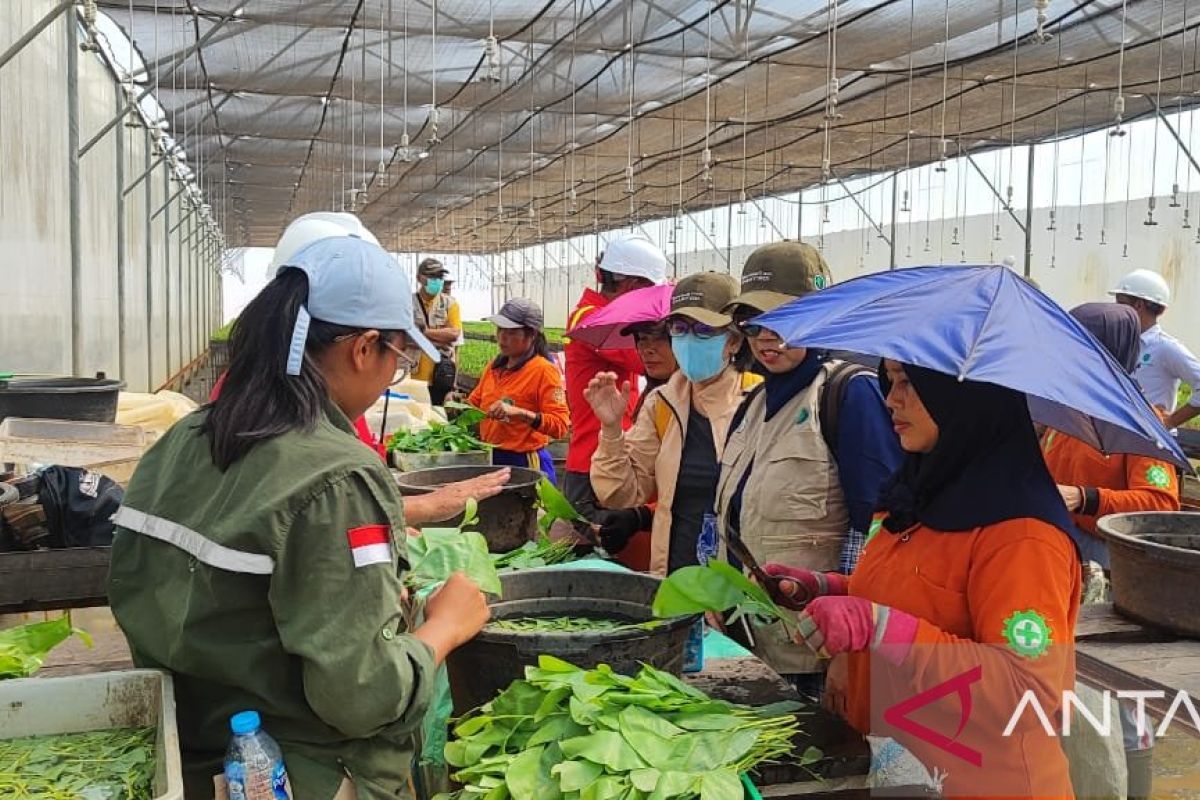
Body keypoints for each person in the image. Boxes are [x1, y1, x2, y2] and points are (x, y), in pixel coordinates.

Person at [108, 236, 494, 800]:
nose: (393, 375)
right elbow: (361, 697)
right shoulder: (336, 477)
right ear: (364, 348)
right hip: (297, 771)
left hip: (193, 754)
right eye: (396, 361)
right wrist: (445, 628)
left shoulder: (184, 439)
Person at [768, 360, 1082, 799]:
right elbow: (911, 595)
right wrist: (827, 590)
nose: (891, 399)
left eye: (910, 384)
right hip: (901, 769)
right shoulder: (914, 496)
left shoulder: (1023, 537)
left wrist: (877, 625)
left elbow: (1026, 692)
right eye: (889, 381)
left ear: (965, 396)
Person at [713, 241, 903, 693]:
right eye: (754, 322)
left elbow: (878, 530)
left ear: (821, 316)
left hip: (812, 652)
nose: (766, 337)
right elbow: (722, 515)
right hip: (747, 638)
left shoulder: (846, 396)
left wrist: (846, 649)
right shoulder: (754, 404)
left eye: (784, 319)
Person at [587, 273, 759, 573]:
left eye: (704, 330)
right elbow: (621, 494)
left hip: (739, 585)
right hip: (674, 575)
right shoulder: (662, 404)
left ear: (733, 341)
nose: (689, 341)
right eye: (680, 329)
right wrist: (611, 429)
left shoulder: (757, 402)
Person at [1044, 302, 1181, 569]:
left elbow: (1161, 504)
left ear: (1107, 352)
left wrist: (1085, 498)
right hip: (1057, 533)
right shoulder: (1072, 408)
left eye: (1078, 346)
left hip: (1107, 552)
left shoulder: (1139, 422)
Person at [562, 235, 668, 518]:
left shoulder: (608, 314)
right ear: (632, 286)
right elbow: (646, 360)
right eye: (650, 291)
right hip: (595, 461)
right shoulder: (592, 318)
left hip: (616, 454)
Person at [597, 318, 679, 571]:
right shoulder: (655, 400)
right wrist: (610, 431)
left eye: (660, 339)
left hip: (671, 537)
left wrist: (642, 515)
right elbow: (627, 486)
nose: (647, 349)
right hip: (646, 539)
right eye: (642, 339)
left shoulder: (716, 403)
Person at [468, 298, 570, 482]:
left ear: (531, 335)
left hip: (525, 462)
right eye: (500, 330)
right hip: (492, 458)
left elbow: (561, 426)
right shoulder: (494, 367)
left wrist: (521, 414)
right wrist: (456, 407)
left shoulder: (543, 371)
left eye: (511, 332)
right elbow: (475, 403)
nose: (502, 337)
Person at [1110, 268, 1200, 430]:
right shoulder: (1120, 342)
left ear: (1138, 305)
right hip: (1122, 437)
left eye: (1120, 303)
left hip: (1152, 444)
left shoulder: (1166, 348)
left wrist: (1169, 422)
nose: (1115, 309)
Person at [411, 257, 462, 406]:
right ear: (419, 278)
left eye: (440, 277)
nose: (437, 281)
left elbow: (454, 335)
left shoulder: (450, 304)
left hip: (441, 377)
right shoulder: (408, 303)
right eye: (432, 276)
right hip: (413, 378)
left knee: (436, 421)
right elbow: (404, 337)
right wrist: (440, 337)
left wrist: (423, 332)